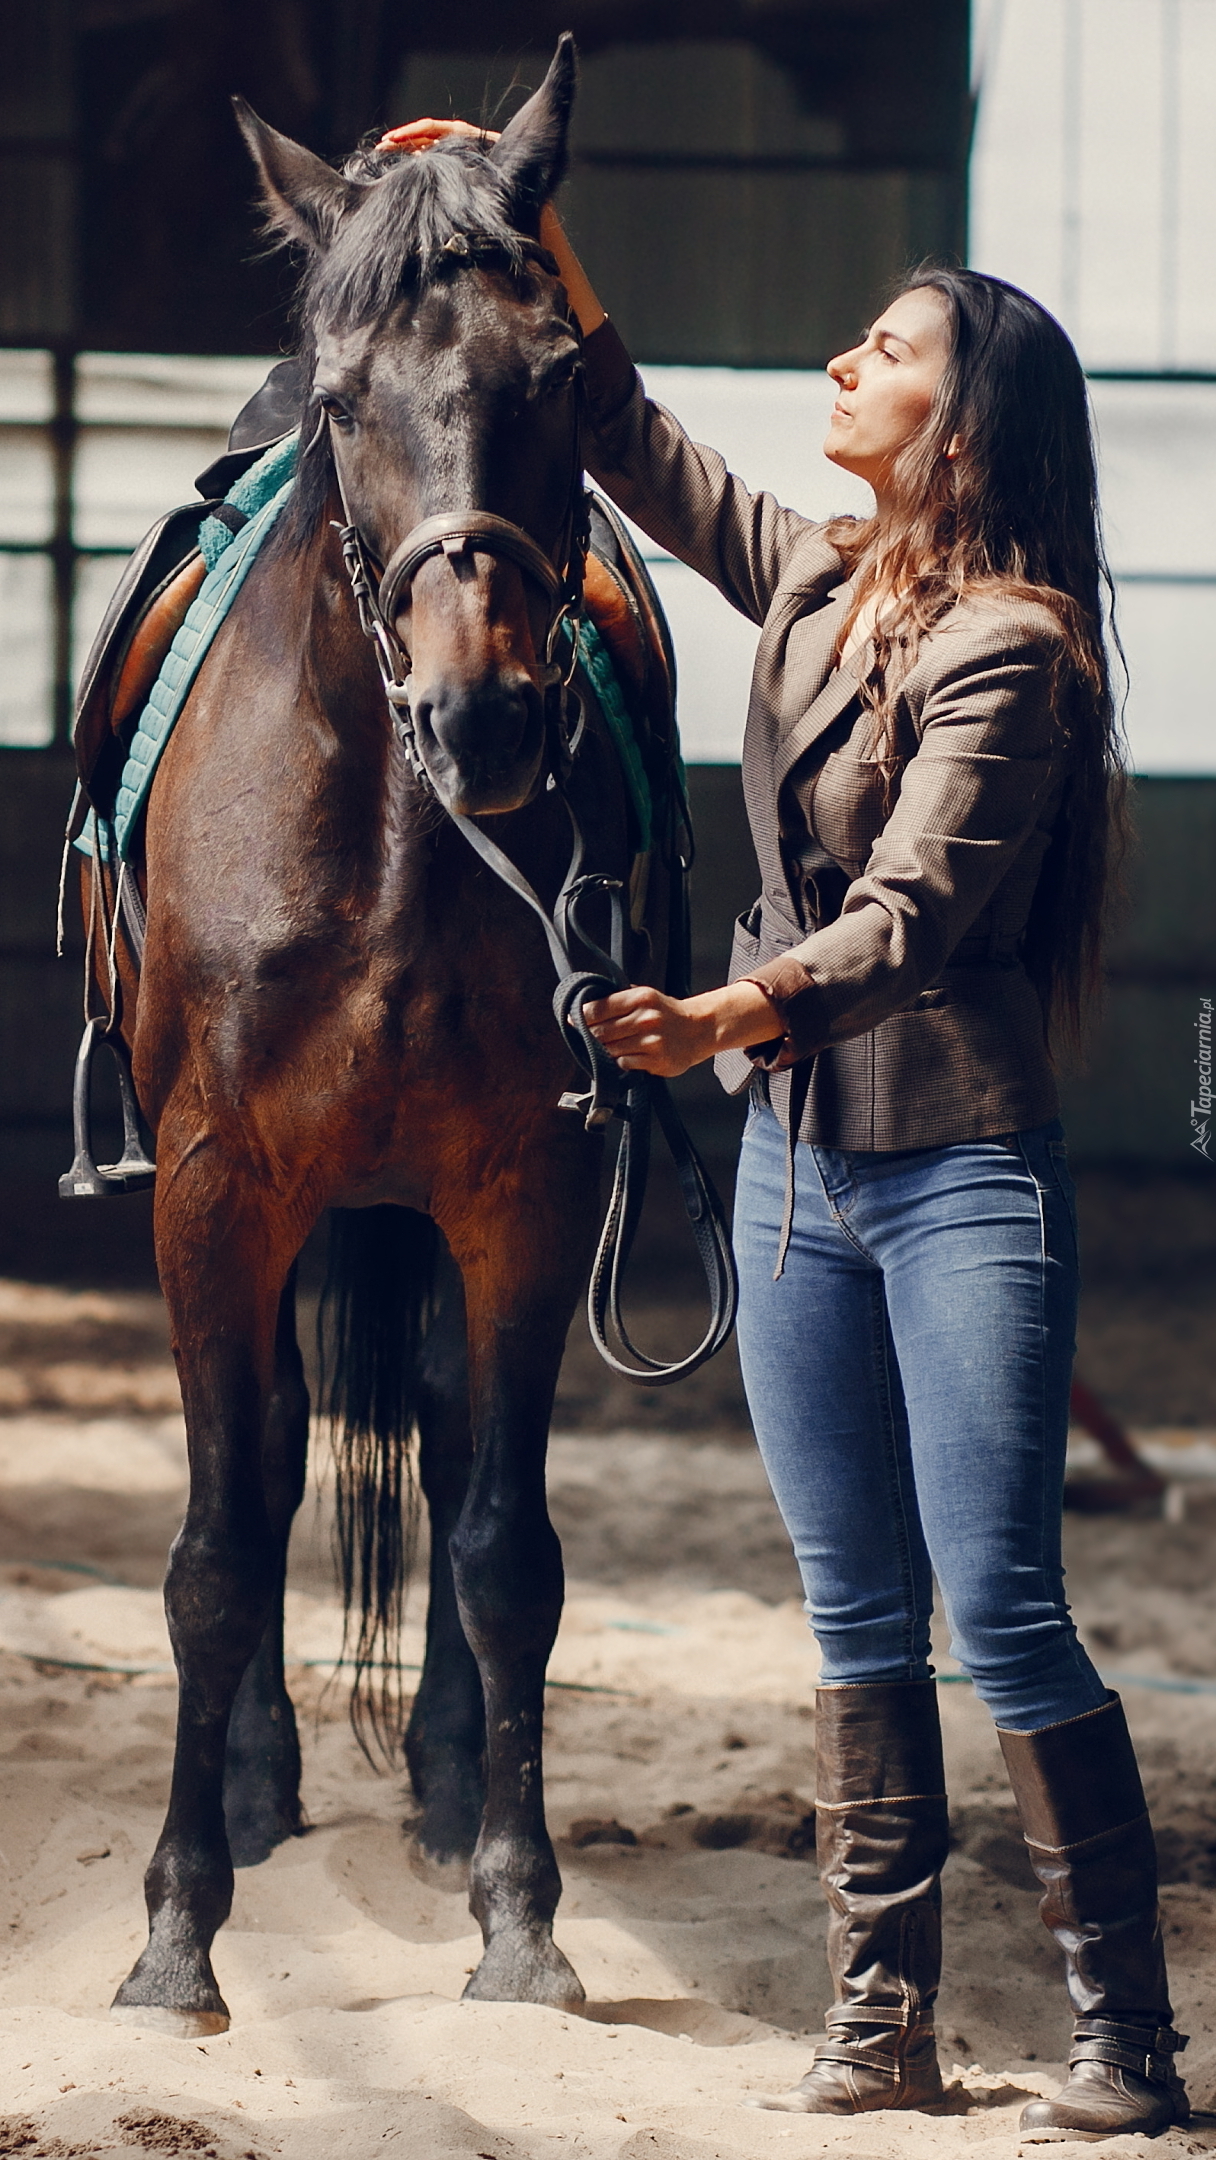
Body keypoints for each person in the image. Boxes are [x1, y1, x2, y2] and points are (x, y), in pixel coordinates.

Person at [375, 117, 1188, 2139]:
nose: (841, 367)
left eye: (880, 349)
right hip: (789, 1175)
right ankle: (878, 2017)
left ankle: (1127, 2040)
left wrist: (729, 1011)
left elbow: (909, 913)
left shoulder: (1017, 650)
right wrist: (519, 211)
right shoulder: (819, 574)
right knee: (847, 1610)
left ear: (965, 424)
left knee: (994, 1602)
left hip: (949, 1179)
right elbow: (633, 436)